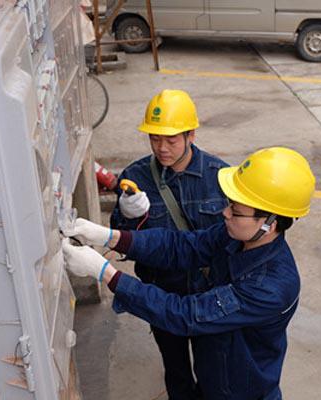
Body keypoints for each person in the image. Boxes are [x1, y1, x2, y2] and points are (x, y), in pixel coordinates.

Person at [63, 147, 316, 400]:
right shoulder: (237, 237)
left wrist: (105, 273)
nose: (225, 213)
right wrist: (111, 237)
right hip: (215, 373)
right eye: (229, 204)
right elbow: (181, 246)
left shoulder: (270, 286)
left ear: (269, 224)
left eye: (236, 210)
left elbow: (186, 314)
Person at [110, 89, 229, 399]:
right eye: (154, 138)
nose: (161, 148)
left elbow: (236, 238)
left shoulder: (220, 177)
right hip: (162, 294)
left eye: (171, 139)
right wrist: (126, 215)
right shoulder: (135, 177)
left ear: (191, 134)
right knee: (176, 370)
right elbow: (118, 239)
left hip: (209, 296)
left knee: (213, 370)